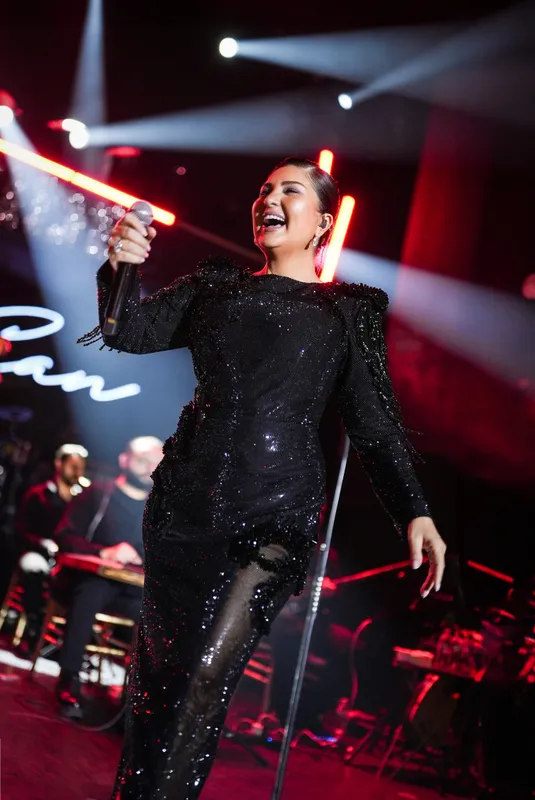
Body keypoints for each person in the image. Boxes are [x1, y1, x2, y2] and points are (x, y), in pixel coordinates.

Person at [80, 157, 446, 799]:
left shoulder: (346, 311)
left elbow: (373, 423)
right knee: (160, 682)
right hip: (184, 510)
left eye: (290, 191)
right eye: (264, 189)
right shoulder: (214, 288)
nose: (269, 198)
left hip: (273, 520)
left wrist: (414, 509)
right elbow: (126, 332)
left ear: (323, 222)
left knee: (203, 677)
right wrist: (120, 267)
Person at [53, 436, 163, 720]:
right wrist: (104, 552)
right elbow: (65, 536)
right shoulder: (97, 495)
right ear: (124, 460)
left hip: (131, 591)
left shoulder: (159, 510)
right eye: (143, 460)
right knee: (90, 592)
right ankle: (69, 680)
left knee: (160, 612)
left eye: (156, 463)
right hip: (89, 581)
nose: (149, 468)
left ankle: (134, 700)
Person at [14, 443, 88, 650]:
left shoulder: (82, 500)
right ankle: (33, 631)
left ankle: (66, 641)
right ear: (59, 464)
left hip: (67, 558)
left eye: (81, 467)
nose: (77, 471)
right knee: (34, 569)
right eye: (73, 465)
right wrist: (43, 543)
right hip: (37, 551)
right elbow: (20, 530)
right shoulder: (39, 493)